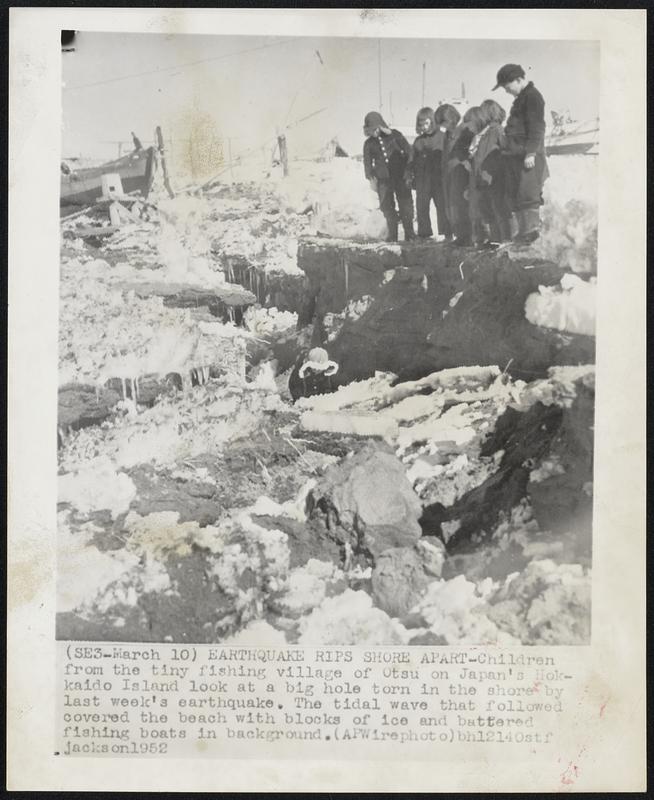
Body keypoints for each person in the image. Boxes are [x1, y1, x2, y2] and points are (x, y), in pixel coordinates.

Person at [493, 63, 549, 243]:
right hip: (517, 156)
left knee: (528, 194)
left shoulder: (533, 97)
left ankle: (531, 233)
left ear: (518, 80)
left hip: (528, 157)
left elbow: (537, 127)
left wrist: (531, 153)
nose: (507, 91)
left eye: (507, 87)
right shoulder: (521, 98)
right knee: (517, 194)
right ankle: (523, 233)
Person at [363, 111, 415, 242]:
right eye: (371, 130)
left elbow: (409, 151)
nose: (374, 132)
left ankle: (410, 234)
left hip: (400, 176)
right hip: (383, 180)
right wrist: (371, 179)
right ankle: (392, 236)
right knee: (387, 207)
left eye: (375, 129)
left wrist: (409, 170)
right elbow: (367, 163)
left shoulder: (395, 135)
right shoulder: (369, 144)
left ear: (381, 126)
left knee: (405, 204)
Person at [468, 99, 511, 246]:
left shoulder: (498, 130)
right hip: (485, 179)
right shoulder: (487, 133)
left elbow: (504, 152)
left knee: (500, 209)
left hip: (496, 178)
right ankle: (495, 239)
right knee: (489, 209)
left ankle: (505, 238)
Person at [444, 106, 485, 246]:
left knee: (479, 209)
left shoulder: (482, 135)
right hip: (466, 175)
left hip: (478, 177)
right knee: (464, 207)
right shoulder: (466, 133)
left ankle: (481, 238)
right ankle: (466, 238)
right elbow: (458, 151)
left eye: (471, 124)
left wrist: (468, 161)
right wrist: (464, 160)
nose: (469, 127)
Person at [405, 107, 443, 239]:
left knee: (442, 206)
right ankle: (424, 234)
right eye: (421, 124)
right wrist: (408, 174)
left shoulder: (442, 138)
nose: (424, 127)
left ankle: (446, 234)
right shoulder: (418, 141)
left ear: (432, 121)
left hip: (439, 180)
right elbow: (411, 160)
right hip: (422, 181)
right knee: (422, 207)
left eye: (426, 123)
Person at [435, 104, 462, 241]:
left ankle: (462, 235)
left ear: (452, 119)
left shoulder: (461, 132)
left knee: (458, 206)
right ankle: (451, 235)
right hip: (447, 175)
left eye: (444, 122)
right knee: (448, 206)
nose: (442, 127)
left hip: (458, 175)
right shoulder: (447, 135)